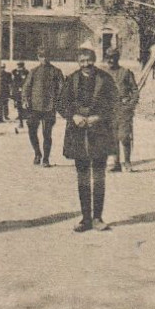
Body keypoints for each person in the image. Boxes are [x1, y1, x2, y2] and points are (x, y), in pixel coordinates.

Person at [57, 40, 118, 232]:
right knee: (82, 176)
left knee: (99, 176)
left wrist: (98, 117)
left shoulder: (106, 79)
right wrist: (73, 116)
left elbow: (114, 104)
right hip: (77, 132)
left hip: (100, 132)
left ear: (94, 59)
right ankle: (85, 219)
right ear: (78, 62)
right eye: (82, 61)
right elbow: (61, 103)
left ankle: (98, 218)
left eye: (89, 60)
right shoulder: (71, 80)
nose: (86, 64)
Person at [22, 46, 64, 167]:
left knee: (47, 134)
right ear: (38, 57)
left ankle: (45, 159)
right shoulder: (33, 71)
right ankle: (37, 153)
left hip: (49, 107)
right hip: (34, 107)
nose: (44, 59)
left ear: (49, 57)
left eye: (46, 56)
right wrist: (25, 100)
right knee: (32, 131)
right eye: (41, 56)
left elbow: (62, 89)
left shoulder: (56, 71)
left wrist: (57, 102)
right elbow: (26, 87)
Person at [106, 48, 139, 171]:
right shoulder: (103, 74)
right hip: (110, 109)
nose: (110, 60)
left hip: (123, 108)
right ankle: (116, 164)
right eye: (108, 58)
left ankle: (127, 162)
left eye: (113, 58)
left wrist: (130, 105)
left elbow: (135, 90)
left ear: (117, 58)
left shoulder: (125, 72)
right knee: (113, 137)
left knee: (124, 136)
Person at [11, 61, 28, 127]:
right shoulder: (15, 72)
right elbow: (13, 82)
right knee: (19, 107)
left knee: (26, 106)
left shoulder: (26, 72)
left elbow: (26, 82)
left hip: (24, 92)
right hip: (17, 92)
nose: (19, 68)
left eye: (20, 66)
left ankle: (24, 120)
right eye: (18, 66)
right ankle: (21, 122)